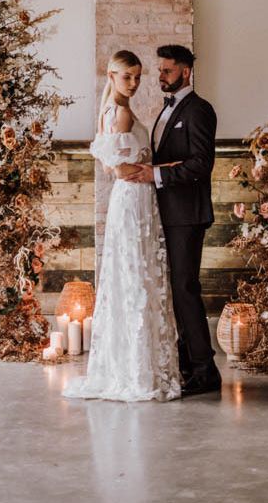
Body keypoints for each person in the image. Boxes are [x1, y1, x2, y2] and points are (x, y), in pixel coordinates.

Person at [62, 50, 181, 402]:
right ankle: (136, 371)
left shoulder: (111, 112)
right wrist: (152, 170)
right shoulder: (121, 114)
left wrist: (156, 166)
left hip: (133, 200)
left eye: (138, 77)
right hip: (133, 200)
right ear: (111, 76)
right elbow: (117, 169)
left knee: (134, 275)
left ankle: (133, 364)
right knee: (135, 276)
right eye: (127, 76)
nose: (133, 83)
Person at [125, 44, 222, 397]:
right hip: (168, 213)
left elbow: (201, 164)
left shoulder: (199, 110)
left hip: (188, 215)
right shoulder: (167, 110)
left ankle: (205, 370)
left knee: (185, 289)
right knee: (176, 291)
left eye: (167, 70)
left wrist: (155, 176)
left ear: (186, 71)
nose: (161, 76)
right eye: (161, 70)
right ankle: (186, 363)